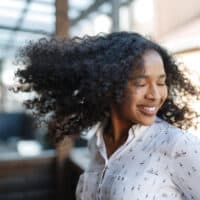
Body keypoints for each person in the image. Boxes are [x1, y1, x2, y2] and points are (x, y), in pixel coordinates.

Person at [14, 32, 200, 200]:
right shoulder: (97, 142)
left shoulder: (177, 145)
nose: (155, 95)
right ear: (110, 85)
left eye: (161, 82)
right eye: (141, 83)